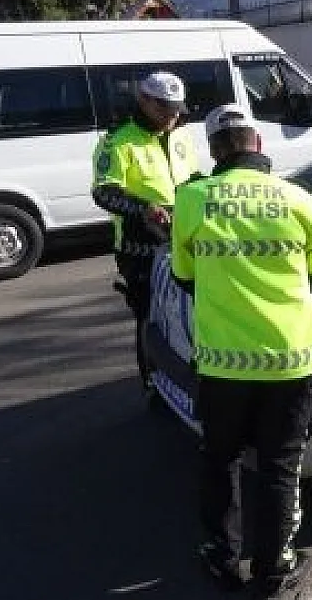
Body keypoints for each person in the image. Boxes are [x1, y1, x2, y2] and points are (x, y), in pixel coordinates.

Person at [170, 104, 312, 598]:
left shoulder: (193, 200)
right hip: (291, 361)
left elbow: (184, 275)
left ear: (216, 150)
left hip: (223, 365)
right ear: (257, 144)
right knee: (280, 467)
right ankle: (274, 567)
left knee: (219, 460)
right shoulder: (297, 198)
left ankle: (223, 560)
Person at [92, 71, 200, 398]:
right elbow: (103, 192)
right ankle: (152, 380)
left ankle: (189, 375)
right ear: (144, 100)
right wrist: (144, 208)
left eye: (177, 109)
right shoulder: (118, 141)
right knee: (149, 316)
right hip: (140, 247)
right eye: (164, 108)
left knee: (189, 314)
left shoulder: (180, 134)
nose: (172, 116)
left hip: (182, 238)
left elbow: (192, 177)